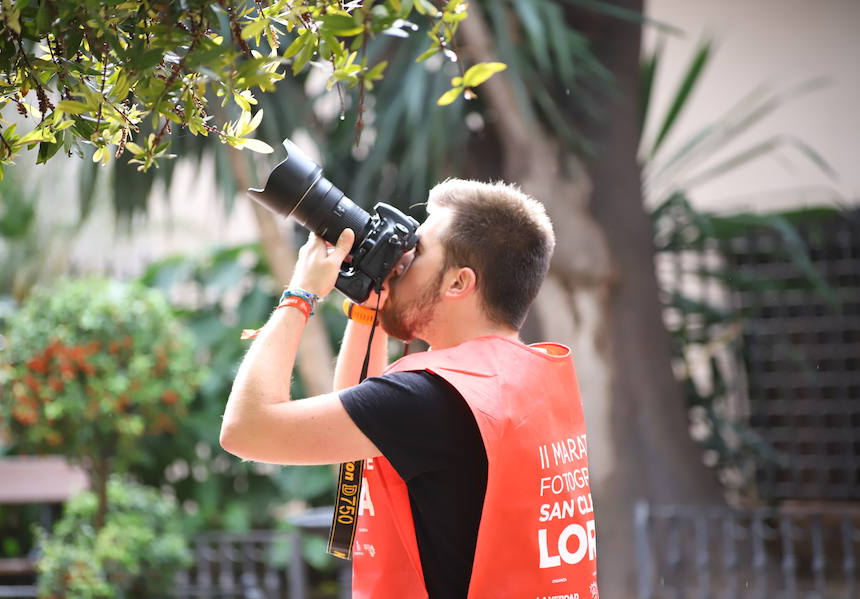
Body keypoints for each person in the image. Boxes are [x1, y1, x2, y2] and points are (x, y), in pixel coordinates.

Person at [220, 179, 599, 599]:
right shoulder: (525, 380)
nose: (400, 261)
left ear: (458, 283)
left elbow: (246, 429)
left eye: (416, 252)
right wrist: (369, 308)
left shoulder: (430, 398)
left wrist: (300, 294)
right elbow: (363, 421)